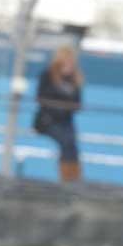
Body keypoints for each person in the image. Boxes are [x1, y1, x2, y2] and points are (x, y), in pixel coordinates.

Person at [33, 45, 84, 182]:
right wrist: (60, 104)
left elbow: (77, 103)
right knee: (66, 142)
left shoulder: (75, 79)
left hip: (65, 120)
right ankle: (67, 179)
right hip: (48, 120)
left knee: (72, 145)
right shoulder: (48, 75)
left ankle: (74, 178)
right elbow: (41, 97)